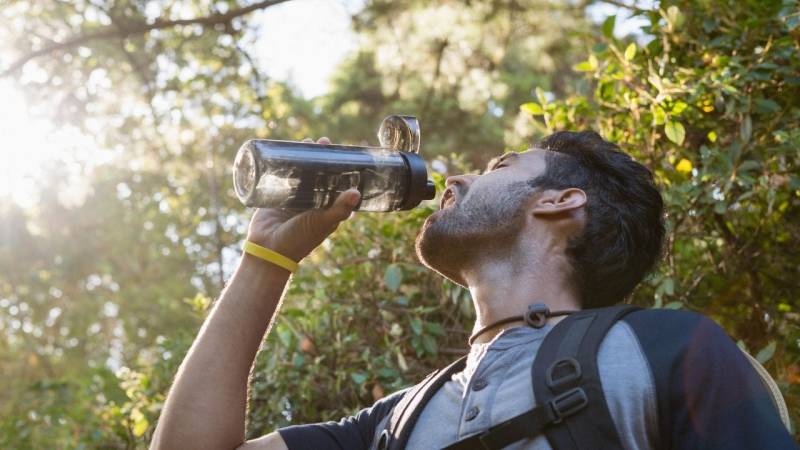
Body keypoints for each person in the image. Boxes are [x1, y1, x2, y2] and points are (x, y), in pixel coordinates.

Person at [150, 132, 796, 450]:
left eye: (497, 167)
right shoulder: (394, 425)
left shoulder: (670, 351)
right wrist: (267, 256)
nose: (454, 179)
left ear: (562, 201)